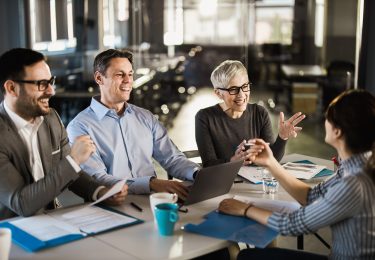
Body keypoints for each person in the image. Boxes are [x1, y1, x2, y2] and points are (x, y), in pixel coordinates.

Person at [218, 89, 375, 259]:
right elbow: (313, 195)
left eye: (327, 119)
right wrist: (270, 163)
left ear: (337, 132)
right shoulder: (356, 167)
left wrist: (246, 209)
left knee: (248, 256)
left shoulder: (353, 184)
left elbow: (293, 225)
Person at [0, 48, 127, 220]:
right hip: (12, 230)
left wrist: (101, 192)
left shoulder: (51, 118)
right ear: (12, 88)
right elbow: (22, 203)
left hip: (53, 219)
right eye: (41, 84)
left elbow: (72, 174)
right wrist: (74, 160)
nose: (51, 91)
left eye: (51, 81)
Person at [67, 49, 200, 200]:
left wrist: (197, 174)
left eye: (130, 74)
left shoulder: (145, 117)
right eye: (119, 74)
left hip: (152, 202)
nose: (128, 80)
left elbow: (171, 158)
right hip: (112, 204)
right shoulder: (80, 126)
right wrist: (150, 184)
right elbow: (98, 178)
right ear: (99, 78)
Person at [195, 60, 305, 167]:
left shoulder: (260, 113)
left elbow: (271, 159)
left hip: (254, 181)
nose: (241, 95)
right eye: (233, 89)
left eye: (245, 86)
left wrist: (282, 137)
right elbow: (208, 165)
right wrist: (232, 161)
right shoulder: (205, 118)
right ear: (218, 93)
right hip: (224, 182)